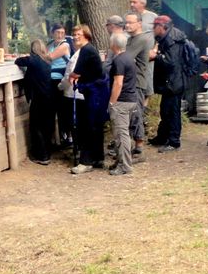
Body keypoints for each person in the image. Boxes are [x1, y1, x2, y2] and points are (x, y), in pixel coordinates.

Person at [65, 25, 108, 174]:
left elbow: (76, 73)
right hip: (97, 92)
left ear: (86, 36)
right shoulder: (87, 49)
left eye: (79, 34)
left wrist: (72, 77)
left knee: (89, 126)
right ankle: (98, 158)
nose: (75, 37)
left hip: (95, 93)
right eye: (74, 34)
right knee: (95, 126)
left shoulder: (86, 50)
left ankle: (86, 162)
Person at [150, 15, 188, 152]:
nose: (153, 29)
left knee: (172, 112)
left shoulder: (172, 39)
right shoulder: (169, 37)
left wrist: (156, 56)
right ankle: (162, 137)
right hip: (171, 82)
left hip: (174, 83)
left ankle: (173, 141)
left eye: (155, 26)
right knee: (165, 111)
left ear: (162, 27)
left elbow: (171, 62)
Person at [15, 40, 56, 165]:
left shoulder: (34, 60)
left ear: (33, 49)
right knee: (47, 126)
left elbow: (18, 61)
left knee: (37, 126)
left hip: (39, 98)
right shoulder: (47, 60)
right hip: (49, 97)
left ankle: (42, 156)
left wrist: (23, 56)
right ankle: (47, 153)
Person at [107, 32, 138, 176]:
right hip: (131, 99)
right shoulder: (129, 58)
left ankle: (125, 165)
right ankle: (120, 161)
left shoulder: (119, 60)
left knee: (121, 135)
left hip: (122, 101)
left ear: (113, 44)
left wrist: (112, 102)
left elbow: (118, 83)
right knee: (123, 133)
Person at [125, 12, 155, 157]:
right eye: (127, 22)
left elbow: (126, 57)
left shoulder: (141, 39)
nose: (127, 25)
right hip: (129, 81)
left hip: (137, 81)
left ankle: (139, 146)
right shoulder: (130, 39)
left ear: (139, 23)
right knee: (131, 114)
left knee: (136, 113)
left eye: (131, 22)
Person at [46, 24, 74, 149]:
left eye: (62, 32)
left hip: (62, 80)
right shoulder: (50, 44)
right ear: (52, 33)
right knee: (52, 110)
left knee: (63, 110)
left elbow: (48, 58)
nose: (60, 35)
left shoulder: (65, 45)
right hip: (50, 81)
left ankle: (68, 137)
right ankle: (55, 138)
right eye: (57, 32)